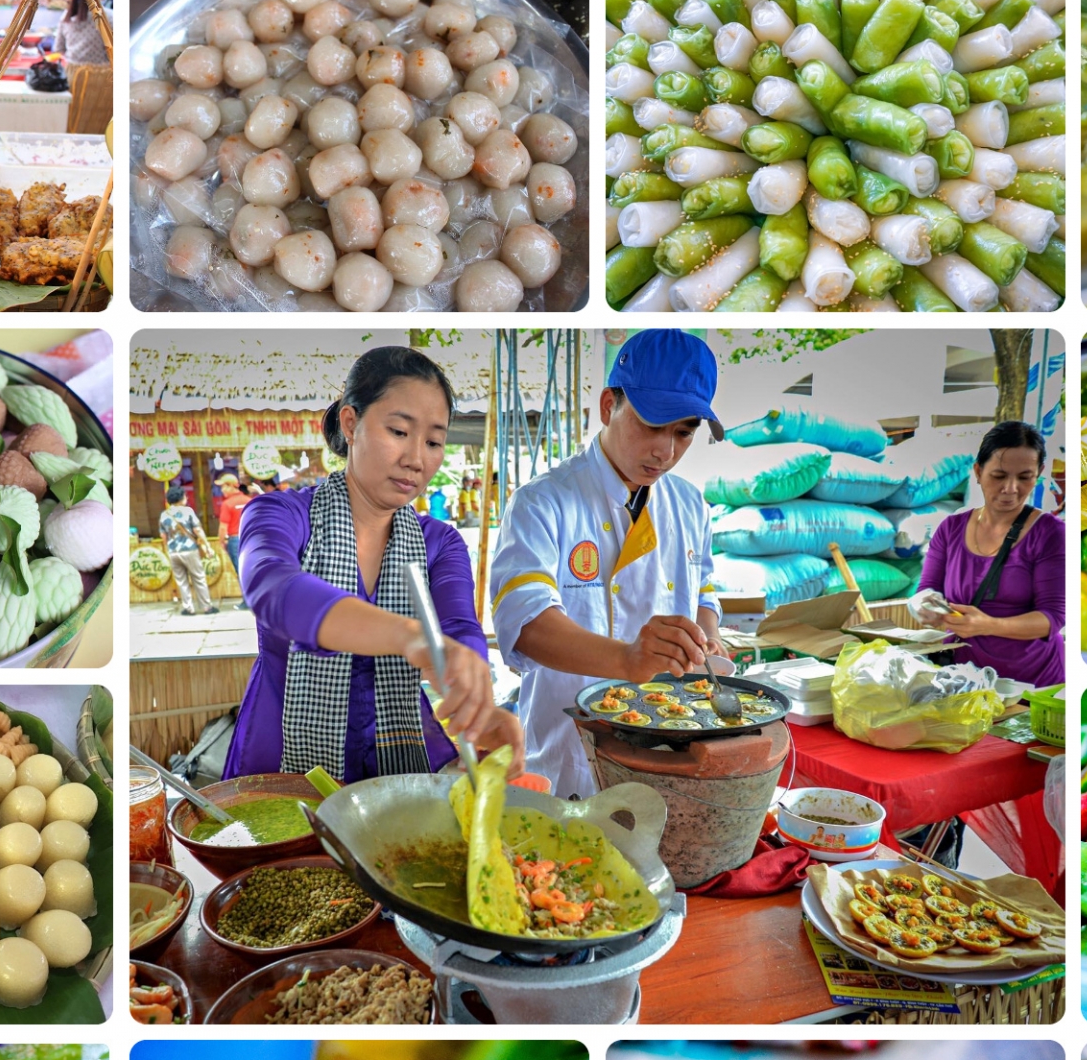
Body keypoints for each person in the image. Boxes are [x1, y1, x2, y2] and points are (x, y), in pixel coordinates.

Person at [224, 345, 523, 784]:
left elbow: (460, 628)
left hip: (407, 752)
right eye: (400, 432)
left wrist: (480, 704)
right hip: (284, 759)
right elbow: (276, 592)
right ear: (351, 423)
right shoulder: (279, 515)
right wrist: (409, 636)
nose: (416, 459)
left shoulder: (440, 543)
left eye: (434, 441)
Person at [489, 329, 724, 797]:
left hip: (664, 742)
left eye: (683, 433)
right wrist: (627, 659)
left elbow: (702, 586)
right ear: (607, 407)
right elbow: (528, 623)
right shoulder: (543, 502)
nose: (666, 450)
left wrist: (707, 637)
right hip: (569, 752)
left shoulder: (689, 504)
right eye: (652, 425)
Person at [911, 420, 1064, 686]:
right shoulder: (950, 529)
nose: (1011, 488)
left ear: (1038, 474)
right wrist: (923, 605)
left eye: (1025, 477)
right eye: (999, 476)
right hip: (963, 677)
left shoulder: (1051, 533)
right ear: (979, 472)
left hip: (1030, 682)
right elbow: (927, 588)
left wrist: (988, 625)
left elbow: (1053, 618)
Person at [157, 483, 219, 617]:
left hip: (174, 552)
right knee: (198, 578)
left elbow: (163, 536)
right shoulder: (188, 511)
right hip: (190, 550)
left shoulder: (164, 515)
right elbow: (197, 530)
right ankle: (206, 607)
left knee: (181, 580)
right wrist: (207, 545)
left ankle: (188, 608)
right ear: (181, 498)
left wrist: (168, 550)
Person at [57, 0, 109, 66]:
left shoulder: (66, 15)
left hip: (72, 72)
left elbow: (58, 48)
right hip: (100, 74)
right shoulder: (108, 17)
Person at [216, 474, 249, 576]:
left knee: (241, 572)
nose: (222, 490)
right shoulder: (249, 501)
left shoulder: (227, 504)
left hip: (236, 541)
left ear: (230, 486)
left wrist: (222, 542)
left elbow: (223, 527)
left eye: (223, 487)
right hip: (251, 538)